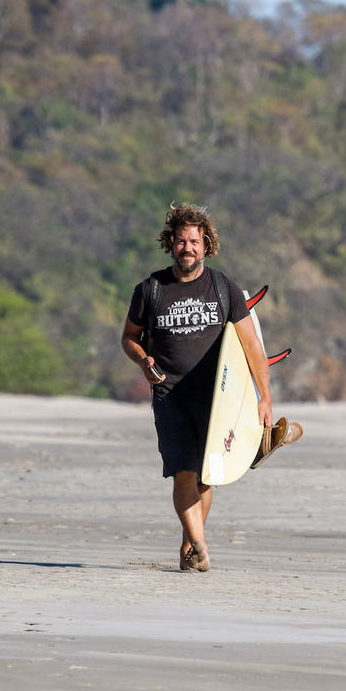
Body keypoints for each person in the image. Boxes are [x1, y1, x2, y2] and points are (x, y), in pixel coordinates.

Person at [121, 202, 272, 572]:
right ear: (169, 243)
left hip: (217, 398)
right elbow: (129, 338)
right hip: (170, 394)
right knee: (183, 471)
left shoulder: (224, 288)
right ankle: (201, 544)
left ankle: (190, 544)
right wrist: (143, 360)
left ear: (205, 244)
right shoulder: (151, 289)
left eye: (193, 241)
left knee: (207, 478)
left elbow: (252, 347)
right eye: (179, 241)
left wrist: (264, 398)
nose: (186, 248)